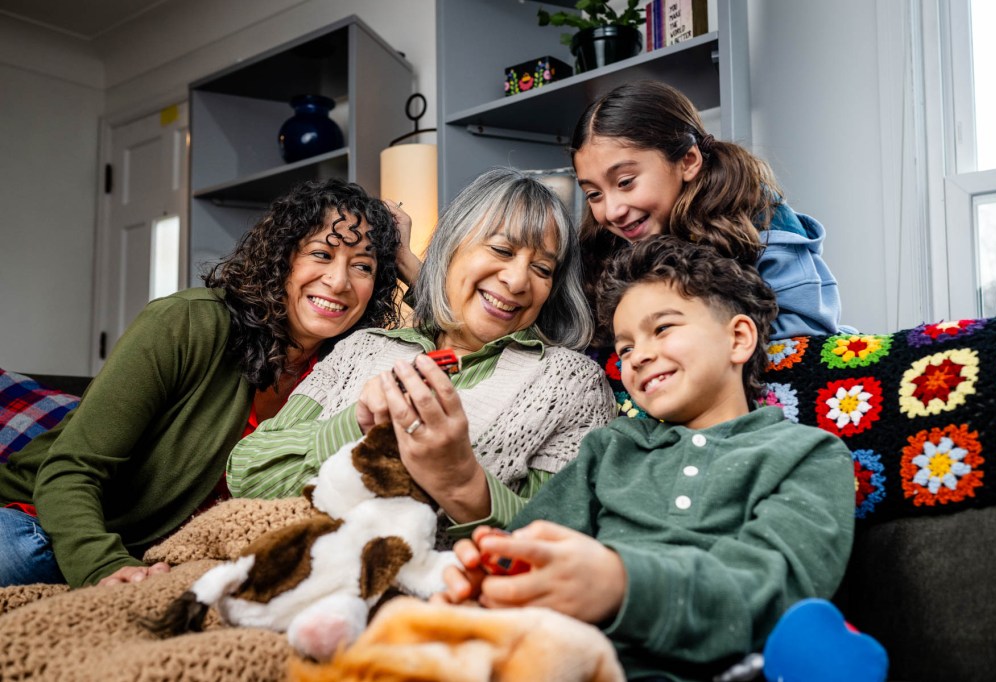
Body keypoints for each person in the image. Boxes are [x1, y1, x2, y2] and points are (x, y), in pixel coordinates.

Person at [438, 236, 855, 680]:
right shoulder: (611, 448)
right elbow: (534, 543)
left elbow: (772, 591)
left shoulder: (807, 455)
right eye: (625, 348)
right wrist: (491, 577)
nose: (640, 357)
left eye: (663, 329)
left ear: (737, 338)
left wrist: (620, 585)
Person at [0, 179, 402, 588]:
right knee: (23, 558)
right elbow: (72, 468)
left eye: (363, 266)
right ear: (281, 258)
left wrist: (405, 256)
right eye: (321, 254)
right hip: (41, 521)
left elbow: (454, 348)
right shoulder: (188, 323)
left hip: (162, 554)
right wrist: (103, 566)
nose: (338, 282)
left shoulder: (349, 367)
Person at [227, 167, 616, 536]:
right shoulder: (363, 347)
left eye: (543, 269)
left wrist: (462, 481)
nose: (517, 281)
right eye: (501, 250)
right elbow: (247, 474)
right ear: (450, 248)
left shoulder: (570, 382)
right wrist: (357, 424)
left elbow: (561, 540)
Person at [571, 79, 853, 340]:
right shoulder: (605, 245)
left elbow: (808, 329)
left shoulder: (758, 219)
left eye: (625, 182)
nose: (612, 211)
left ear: (688, 161)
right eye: (593, 194)